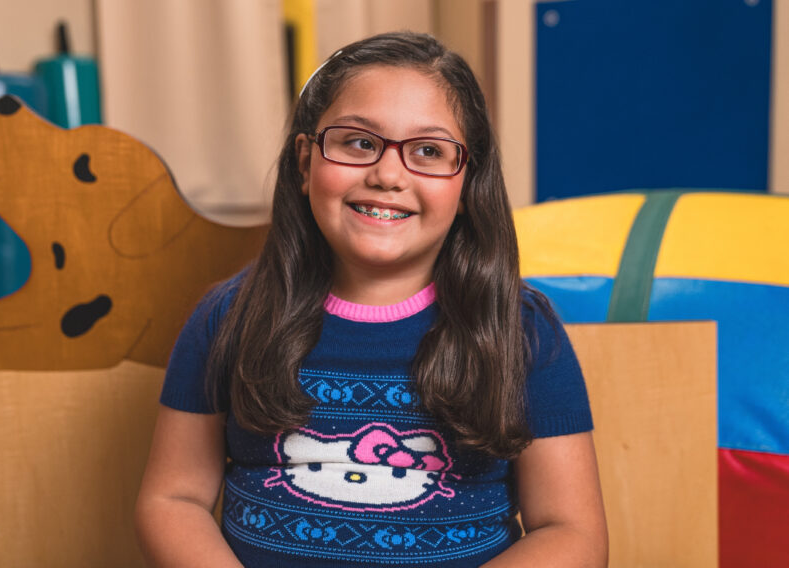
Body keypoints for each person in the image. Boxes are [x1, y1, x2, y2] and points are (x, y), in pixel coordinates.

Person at [134, 32, 607, 567]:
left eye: (428, 151)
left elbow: (570, 532)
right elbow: (173, 499)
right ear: (305, 160)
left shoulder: (521, 330)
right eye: (359, 142)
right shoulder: (228, 317)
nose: (387, 175)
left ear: (468, 180)